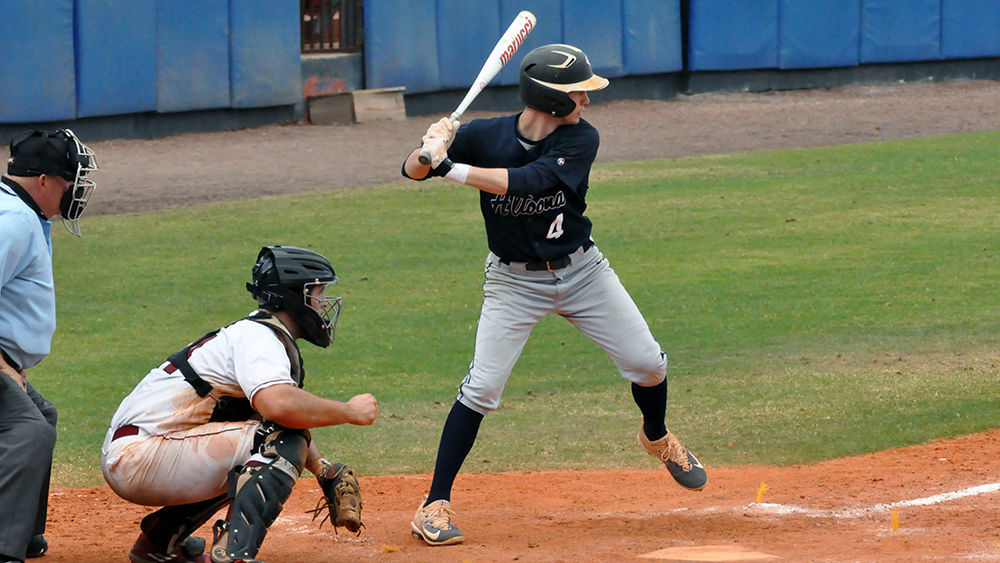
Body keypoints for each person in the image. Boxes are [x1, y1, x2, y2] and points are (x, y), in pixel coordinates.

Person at [400, 43, 707, 546]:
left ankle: (656, 437)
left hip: (583, 271)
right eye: (578, 93)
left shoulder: (582, 139)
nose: (587, 101)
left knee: (648, 364)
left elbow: (527, 182)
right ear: (552, 98)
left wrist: (447, 169)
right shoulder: (484, 135)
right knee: (480, 390)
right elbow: (411, 172)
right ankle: (433, 503)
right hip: (513, 282)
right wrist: (429, 148)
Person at [101, 246, 378, 563]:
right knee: (276, 444)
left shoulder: (257, 334)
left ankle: (157, 543)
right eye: (318, 292)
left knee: (262, 444)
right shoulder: (261, 340)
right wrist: (349, 412)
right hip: (143, 455)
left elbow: (273, 415)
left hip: (145, 450)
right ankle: (232, 556)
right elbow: (279, 408)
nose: (324, 303)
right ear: (293, 296)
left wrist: (323, 469)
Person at [0, 129, 99, 563]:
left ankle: (22, 533)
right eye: (68, 180)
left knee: (43, 414)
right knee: (28, 431)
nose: (74, 191)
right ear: (43, 180)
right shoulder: (14, 222)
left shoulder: (18, 211)